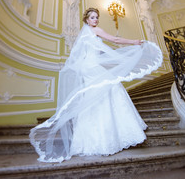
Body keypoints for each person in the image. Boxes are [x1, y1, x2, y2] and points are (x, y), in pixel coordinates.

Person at [30, 8, 163, 163]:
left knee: (96, 96)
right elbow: (116, 40)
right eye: (92, 17)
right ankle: (113, 135)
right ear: (87, 20)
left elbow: (83, 55)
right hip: (91, 67)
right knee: (113, 88)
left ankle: (91, 140)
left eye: (97, 17)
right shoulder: (94, 31)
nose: (95, 20)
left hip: (87, 67)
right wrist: (134, 42)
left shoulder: (84, 33)